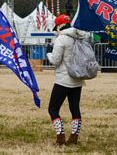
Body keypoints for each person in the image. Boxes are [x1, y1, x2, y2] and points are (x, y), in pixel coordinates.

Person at [47, 14, 87, 145]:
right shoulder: (80, 37)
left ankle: (60, 137)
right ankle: (74, 137)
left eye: (56, 27)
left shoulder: (61, 39)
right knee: (75, 108)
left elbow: (56, 60)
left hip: (63, 80)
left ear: (60, 25)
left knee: (53, 108)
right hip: (78, 78)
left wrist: (48, 54)